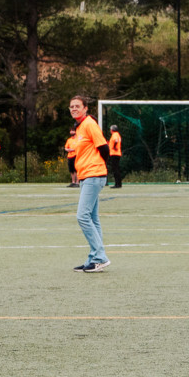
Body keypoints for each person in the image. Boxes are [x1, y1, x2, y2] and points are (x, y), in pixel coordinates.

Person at [68, 94, 111, 272]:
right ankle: (94, 259)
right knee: (92, 218)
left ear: (85, 108)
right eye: (71, 106)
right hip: (86, 176)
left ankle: (100, 257)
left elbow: (104, 148)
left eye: (77, 106)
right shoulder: (79, 128)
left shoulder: (89, 124)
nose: (74, 109)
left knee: (82, 216)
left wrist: (99, 167)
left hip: (94, 175)